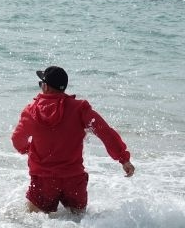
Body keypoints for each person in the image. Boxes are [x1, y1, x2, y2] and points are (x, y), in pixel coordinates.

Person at [11, 65, 135, 214]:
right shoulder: (79, 109)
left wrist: (27, 149)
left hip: (43, 180)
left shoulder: (31, 111)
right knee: (78, 225)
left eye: (41, 84)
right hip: (74, 180)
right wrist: (123, 158)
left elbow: (17, 139)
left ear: (45, 87)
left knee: (32, 225)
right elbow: (105, 132)